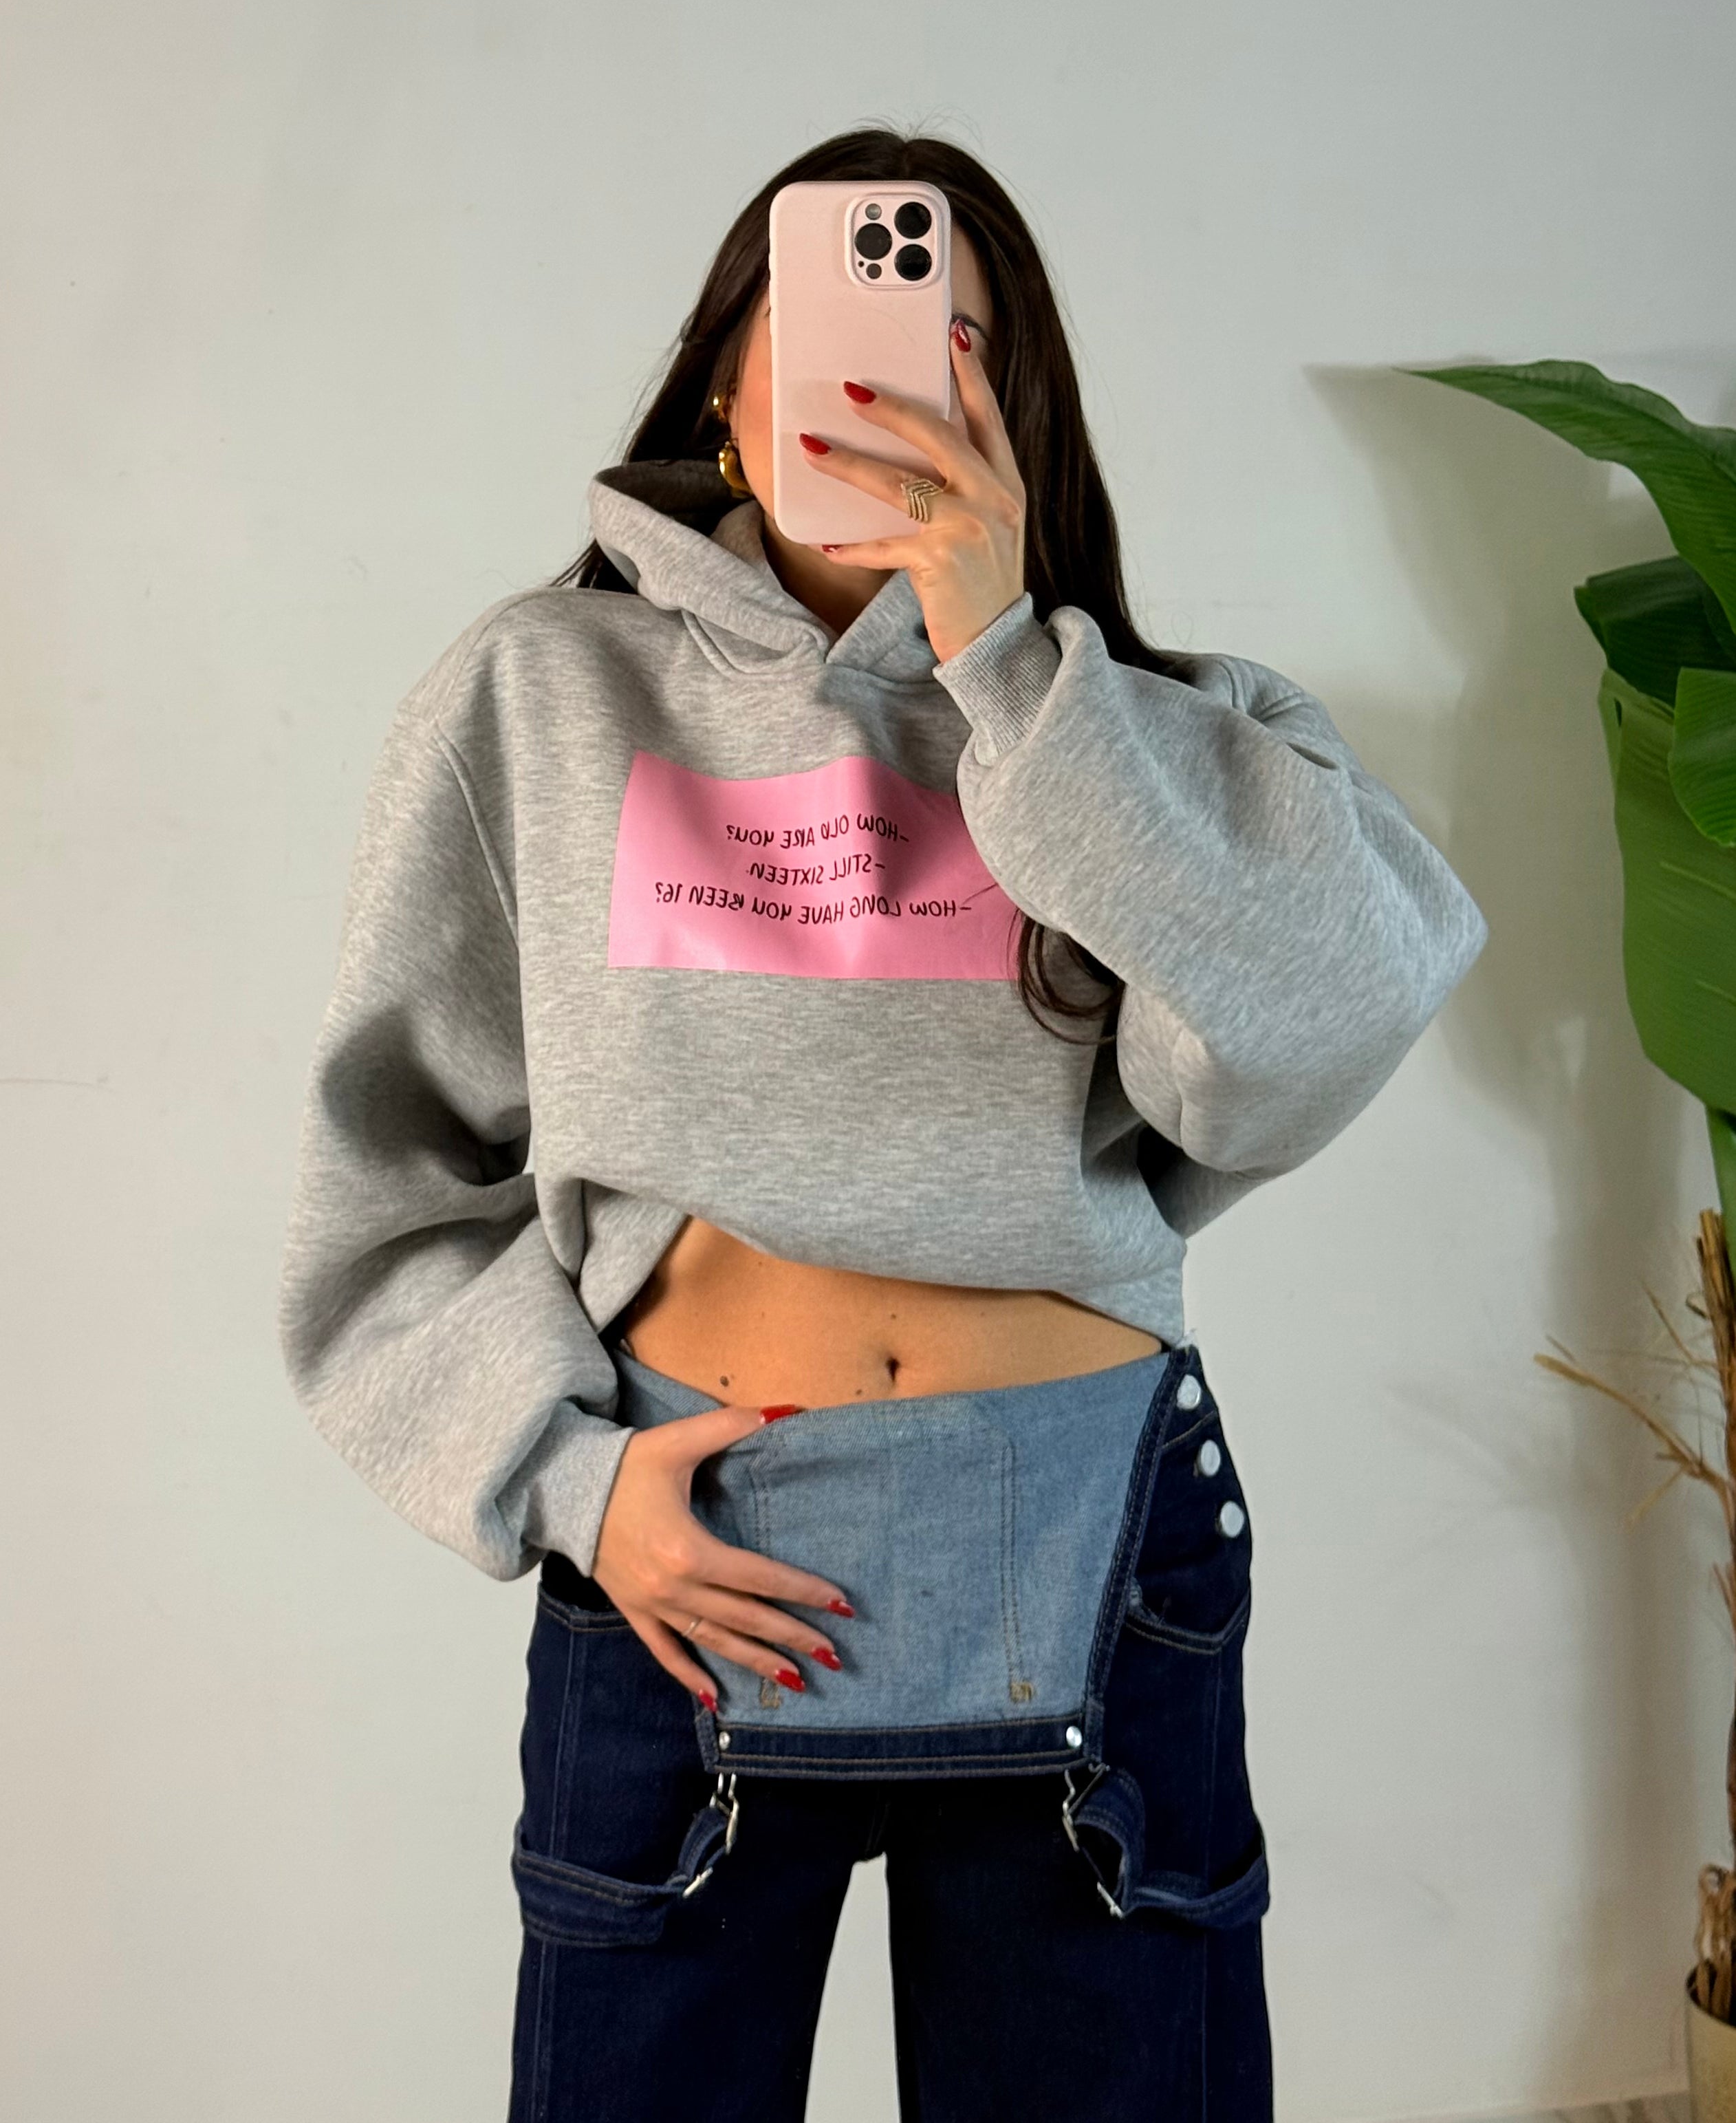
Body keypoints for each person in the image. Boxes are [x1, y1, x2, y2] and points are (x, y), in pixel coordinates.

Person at [279, 127, 1487, 2122]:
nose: (885, 375)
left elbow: (1340, 1002)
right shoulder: (537, 693)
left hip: (1094, 1557)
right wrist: (567, 1484)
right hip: (690, 1561)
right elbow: (391, 1173)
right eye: (825, 322)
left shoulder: (1169, 732)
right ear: (724, 397)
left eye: (953, 340)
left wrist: (1016, 675)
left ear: (1021, 412)